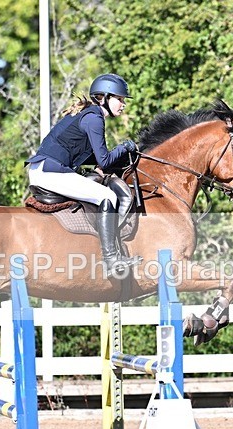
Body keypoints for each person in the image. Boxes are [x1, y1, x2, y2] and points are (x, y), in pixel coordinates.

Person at [25, 73, 141, 277]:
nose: (123, 105)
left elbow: (93, 158)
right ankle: (111, 259)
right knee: (107, 196)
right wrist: (125, 147)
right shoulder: (94, 119)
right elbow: (104, 161)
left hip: (44, 169)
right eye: (119, 99)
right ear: (104, 98)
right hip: (50, 172)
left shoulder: (88, 114)